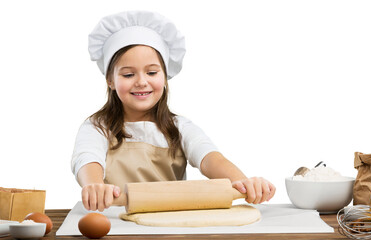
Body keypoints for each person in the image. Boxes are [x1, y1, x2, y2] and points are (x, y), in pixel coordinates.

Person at [71, 10, 276, 212]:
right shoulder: (97, 128)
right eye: (128, 74)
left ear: (165, 76)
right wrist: (93, 186)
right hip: (114, 223)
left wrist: (243, 182)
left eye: (152, 72)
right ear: (110, 80)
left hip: (169, 227)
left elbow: (211, 158)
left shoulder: (180, 128)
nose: (141, 82)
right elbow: (87, 158)